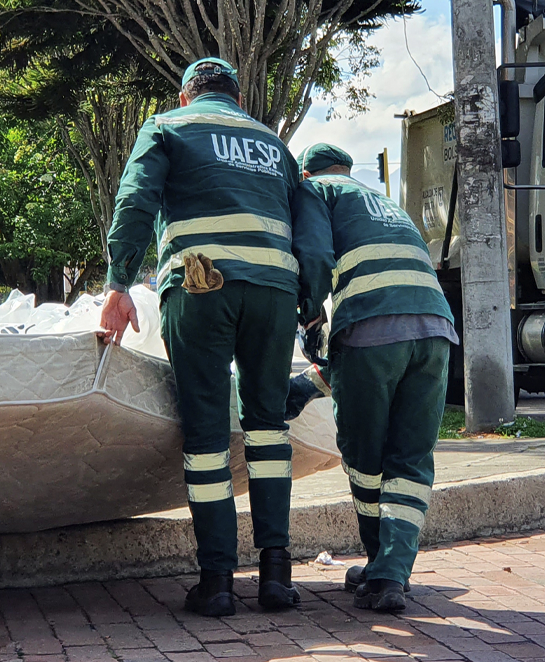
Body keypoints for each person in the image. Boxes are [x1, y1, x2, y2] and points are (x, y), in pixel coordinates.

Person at [99, 58, 302, 617]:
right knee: (268, 428)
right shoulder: (272, 143)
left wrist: (118, 283)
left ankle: (217, 583)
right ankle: (277, 576)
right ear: (237, 97)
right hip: (274, 292)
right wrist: (306, 305)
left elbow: (135, 201)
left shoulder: (168, 125)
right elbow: (305, 226)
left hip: (199, 285)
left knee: (207, 431)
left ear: (187, 96)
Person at [287, 144, 457, 613]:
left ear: (307, 173)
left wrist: (310, 315)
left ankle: (381, 569)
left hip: (369, 327)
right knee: (411, 459)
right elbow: (379, 352)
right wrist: (307, 386)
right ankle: (392, 570)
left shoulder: (315, 190)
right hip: (436, 330)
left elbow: (314, 256)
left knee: (365, 459)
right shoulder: (384, 203)